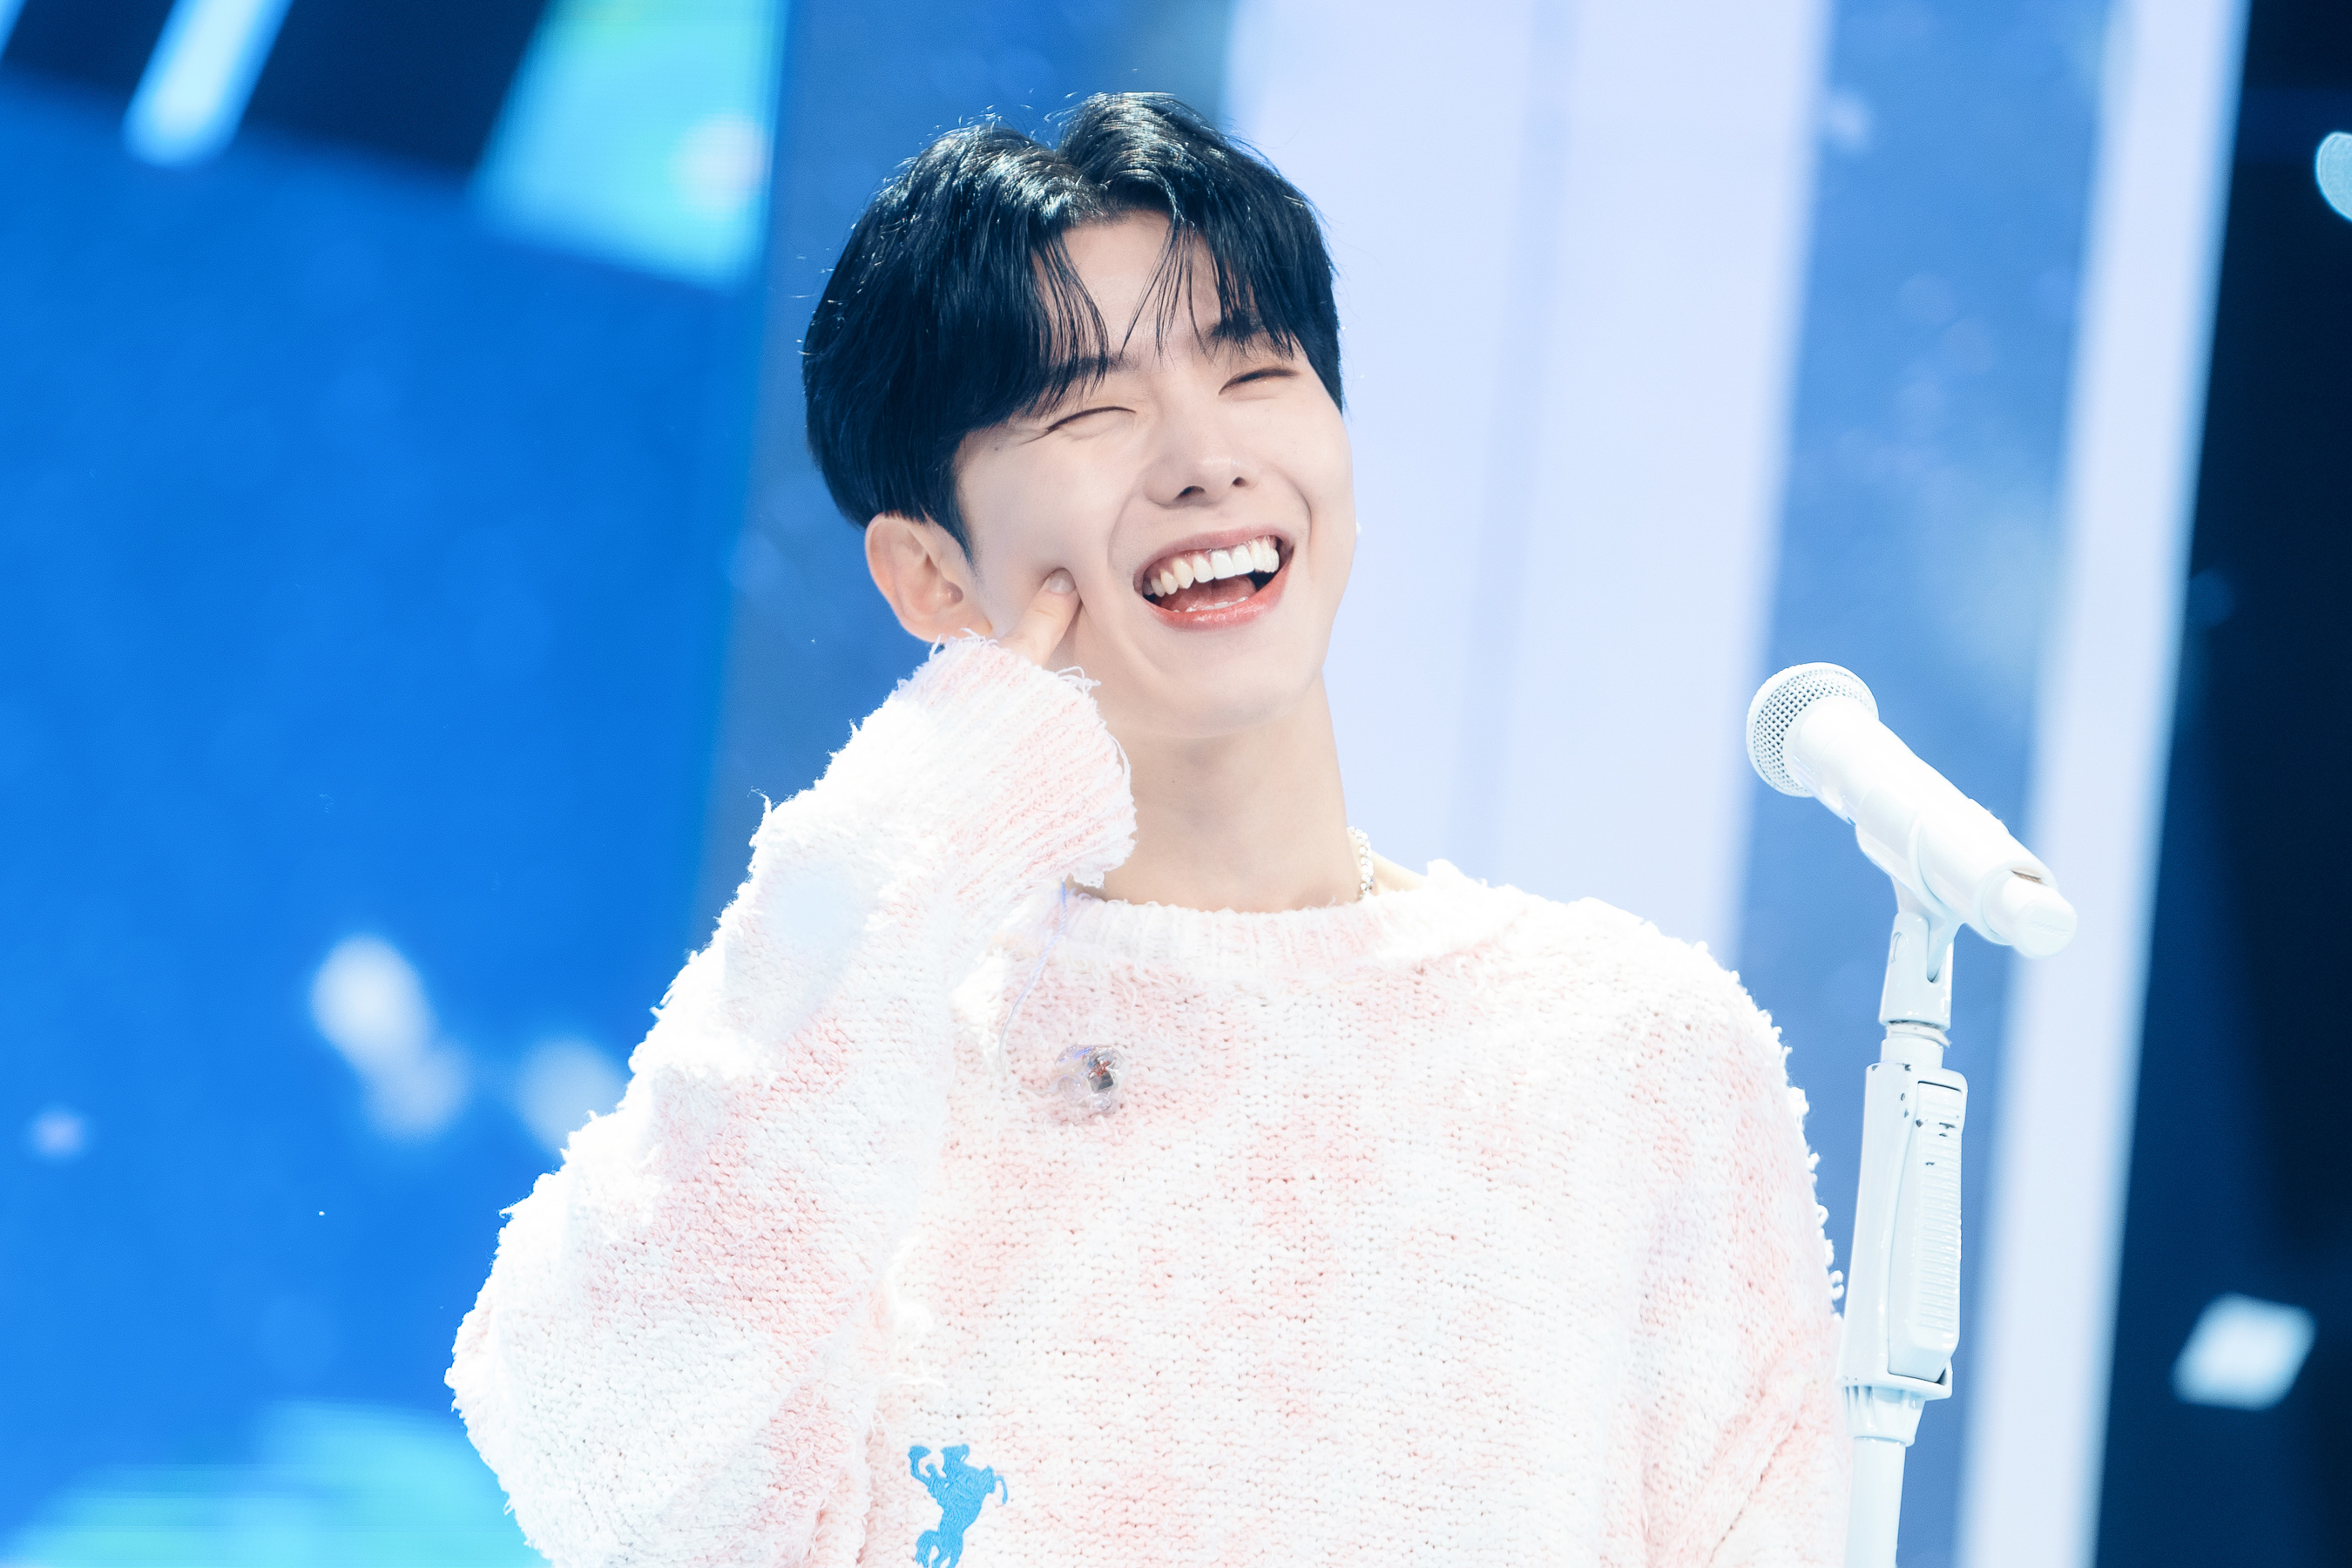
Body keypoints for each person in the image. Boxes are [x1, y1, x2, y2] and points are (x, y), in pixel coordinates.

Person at [448, 92, 1845, 1565]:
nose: (1202, 459)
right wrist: (929, 805)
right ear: (928, 574)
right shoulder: (876, 1064)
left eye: (1255, 371)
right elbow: (592, 1442)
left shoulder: (1633, 1051)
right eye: (1089, 409)